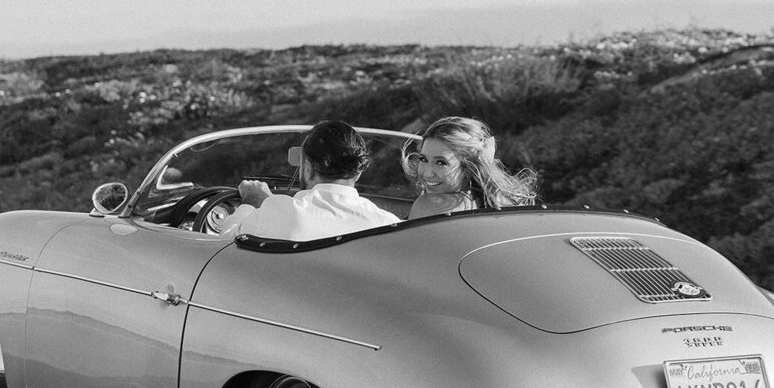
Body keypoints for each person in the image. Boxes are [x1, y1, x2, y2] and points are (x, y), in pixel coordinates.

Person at [220, 120, 400, 241]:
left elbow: (224, 244)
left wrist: (251, 202)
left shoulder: (281, 213)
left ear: (307, 168)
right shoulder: (389, 225)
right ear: (358, 173)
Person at [402, 116, 538, 219]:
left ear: (468, 168)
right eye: (423, 159)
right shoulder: (503, 205)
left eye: (441, 163)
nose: (427, 173)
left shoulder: (429, 205)